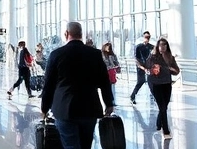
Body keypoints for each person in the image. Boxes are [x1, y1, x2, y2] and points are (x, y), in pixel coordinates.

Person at [40, 21, 115, 149]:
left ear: (66, 34)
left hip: (64, 109)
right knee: (85, 145)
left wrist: (44, 107)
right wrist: (109, 103)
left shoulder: (56, 54)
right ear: (81, 34)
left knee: (71, 145)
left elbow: (49, 85)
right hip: (89, 109)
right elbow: (104, 81)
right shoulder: (95, 54)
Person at [145, 37, 181, 139]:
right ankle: (166, 130)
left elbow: (177, 70)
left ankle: (158, 123)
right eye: (161, 44)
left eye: (165, 44)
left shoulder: (170, 57)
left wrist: (170, 69)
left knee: (165, 105)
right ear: (158, 46)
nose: (163, 46)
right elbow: (148, 68)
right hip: (155, 83)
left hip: (166, 83)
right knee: (162, 106)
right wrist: (153, 70)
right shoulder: (153, 57)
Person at [130, 31, 155, 104]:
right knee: (141, 81)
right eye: (146, 37)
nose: (147, 38)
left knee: (151, 81)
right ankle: (133, 96)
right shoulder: (139, 47)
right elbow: (136, 58)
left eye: (148, 37)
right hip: (141, 66)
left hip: (148, 66)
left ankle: (155, 96)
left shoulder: (152, 47)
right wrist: (141, 67)